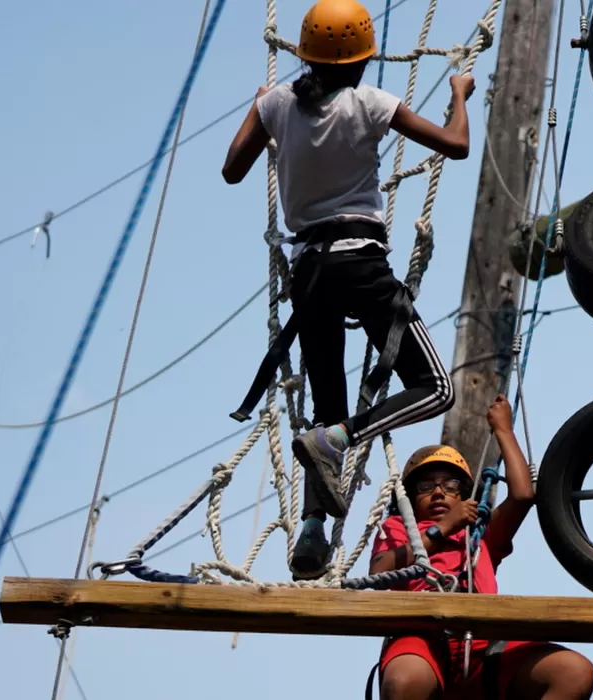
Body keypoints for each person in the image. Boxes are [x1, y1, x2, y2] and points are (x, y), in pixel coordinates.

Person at [220, 0, 474, 579]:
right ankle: (343, 437)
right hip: (360, 260)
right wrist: (459, 92)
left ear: (305, 54)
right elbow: (455, 146)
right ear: (362, 61)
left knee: (325, 408)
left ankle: (313, 529)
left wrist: (255, 109)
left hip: (309, 272)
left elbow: (233, 168)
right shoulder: (371, 102)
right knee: (435, 390)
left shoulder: (277, 104)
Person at [370, 396, 593, 700]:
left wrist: (503, 430)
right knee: (403, 683)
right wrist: (442, 529)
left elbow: (521, 496)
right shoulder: (399, 529)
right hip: (420, 637)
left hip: (482, 643)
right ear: (411, 499)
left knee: (573, 671)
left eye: (450, 486)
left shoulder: (479, 535)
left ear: (463, 495)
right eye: (426, 486)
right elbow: (379, 571)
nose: (438, 492)